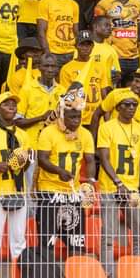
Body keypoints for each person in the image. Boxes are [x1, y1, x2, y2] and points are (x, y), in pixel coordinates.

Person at [97, 92, 140, 276]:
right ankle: (108, 273)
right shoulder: (107, 128)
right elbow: (104, 158)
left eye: (134, 104)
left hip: (132, 189)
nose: (132, 108)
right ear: (117, 107)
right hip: (111, 187)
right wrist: (118, 183)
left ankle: (138, 271)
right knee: (109, 236)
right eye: (127, 104)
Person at [35, 95, 96, 255]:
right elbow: (41, 159)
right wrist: (59, 171)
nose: (76, 120)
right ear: (61, 115)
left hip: (73, 192)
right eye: (72, 117)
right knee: (47, 241)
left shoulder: (86, 134)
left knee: (77, 242)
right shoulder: (48, 132)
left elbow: (90, 160)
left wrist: (89, 183)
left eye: (78, 117)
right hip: (50, 190)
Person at [0, 92, 30, 268]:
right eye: (6, 103)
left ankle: (19, 272)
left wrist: (21, 164)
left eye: (14, 104)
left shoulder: (23, 135)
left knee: (18, 238)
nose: (11, 106)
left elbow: (28, 162)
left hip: (18, 189)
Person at [38, 0, 79, 64]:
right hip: (53, 52)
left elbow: (76, 31)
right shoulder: (45, 1)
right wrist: (47, 52)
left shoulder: (74, 4)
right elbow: (41, 31)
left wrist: (77, 50)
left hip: (71, 52)